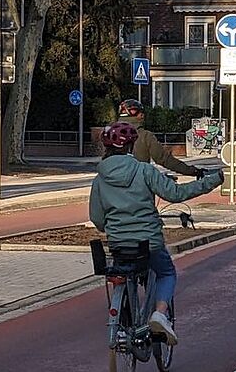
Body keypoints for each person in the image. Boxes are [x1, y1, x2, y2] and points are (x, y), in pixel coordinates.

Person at [90, 121, 223, 346]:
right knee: (166, 273)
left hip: (118, 243)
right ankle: (160, 314)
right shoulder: (144, 170)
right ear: (131, 146)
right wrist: (211, 181)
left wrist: (112, 228)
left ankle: (122, 324)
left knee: (122, 270)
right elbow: (175, 193)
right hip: (148, 241)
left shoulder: (99, 179)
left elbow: (97, 218)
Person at [117, 99, 205, 178]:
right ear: (140, 115)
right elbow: (163, 159)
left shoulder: (106, 133)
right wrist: (192, 171)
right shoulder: (145, 136)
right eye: (142, 113)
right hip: (138, 185)